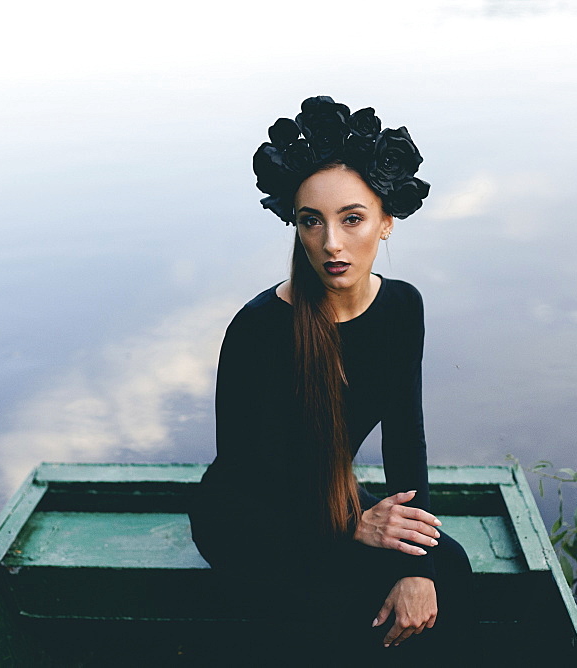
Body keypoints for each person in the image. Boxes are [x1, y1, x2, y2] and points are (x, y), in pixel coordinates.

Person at [188, 96, 473, 663]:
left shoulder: (401, 307)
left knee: (449, 568)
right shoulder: (258, 329)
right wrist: (351, 528)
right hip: (254, 514)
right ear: (297, 227)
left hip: (330, 496)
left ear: (385, 222)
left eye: (352, 218)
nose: (331, 243)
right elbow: (250, 470)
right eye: (310, 221)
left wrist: (414, 563)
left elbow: (404, 437)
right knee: (339, 598)